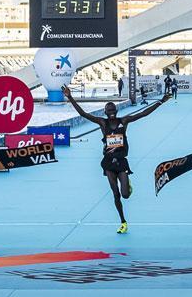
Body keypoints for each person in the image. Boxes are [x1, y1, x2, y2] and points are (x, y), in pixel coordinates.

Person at [63, 85, 171, 234]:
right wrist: (70, 97)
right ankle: (123, 222)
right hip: (108, 162)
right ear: (105, 112)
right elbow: (83, 114)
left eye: (113, 109)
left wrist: (161, 102)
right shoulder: (102, 123)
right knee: (116, 194)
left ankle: (128, 185)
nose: (111, 112)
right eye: (109, 110)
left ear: (116, 111)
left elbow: (143, 114)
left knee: (125, 195)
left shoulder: (124, 121)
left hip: (121, 161)